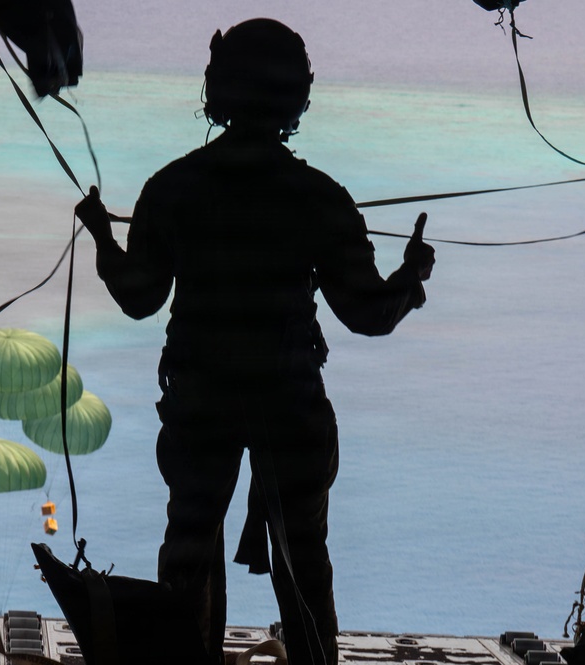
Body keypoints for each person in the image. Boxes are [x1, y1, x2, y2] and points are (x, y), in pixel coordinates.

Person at [74, 18, 435, 665]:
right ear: (300, 97)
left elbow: (138, 296)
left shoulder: (173, 189)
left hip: (199, 402)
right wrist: (411, 276)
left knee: (188, 552)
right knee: (304, 560)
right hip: (290, 401)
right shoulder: (320, 199)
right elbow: (368, 313)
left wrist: (102, 235)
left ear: (215, 91)